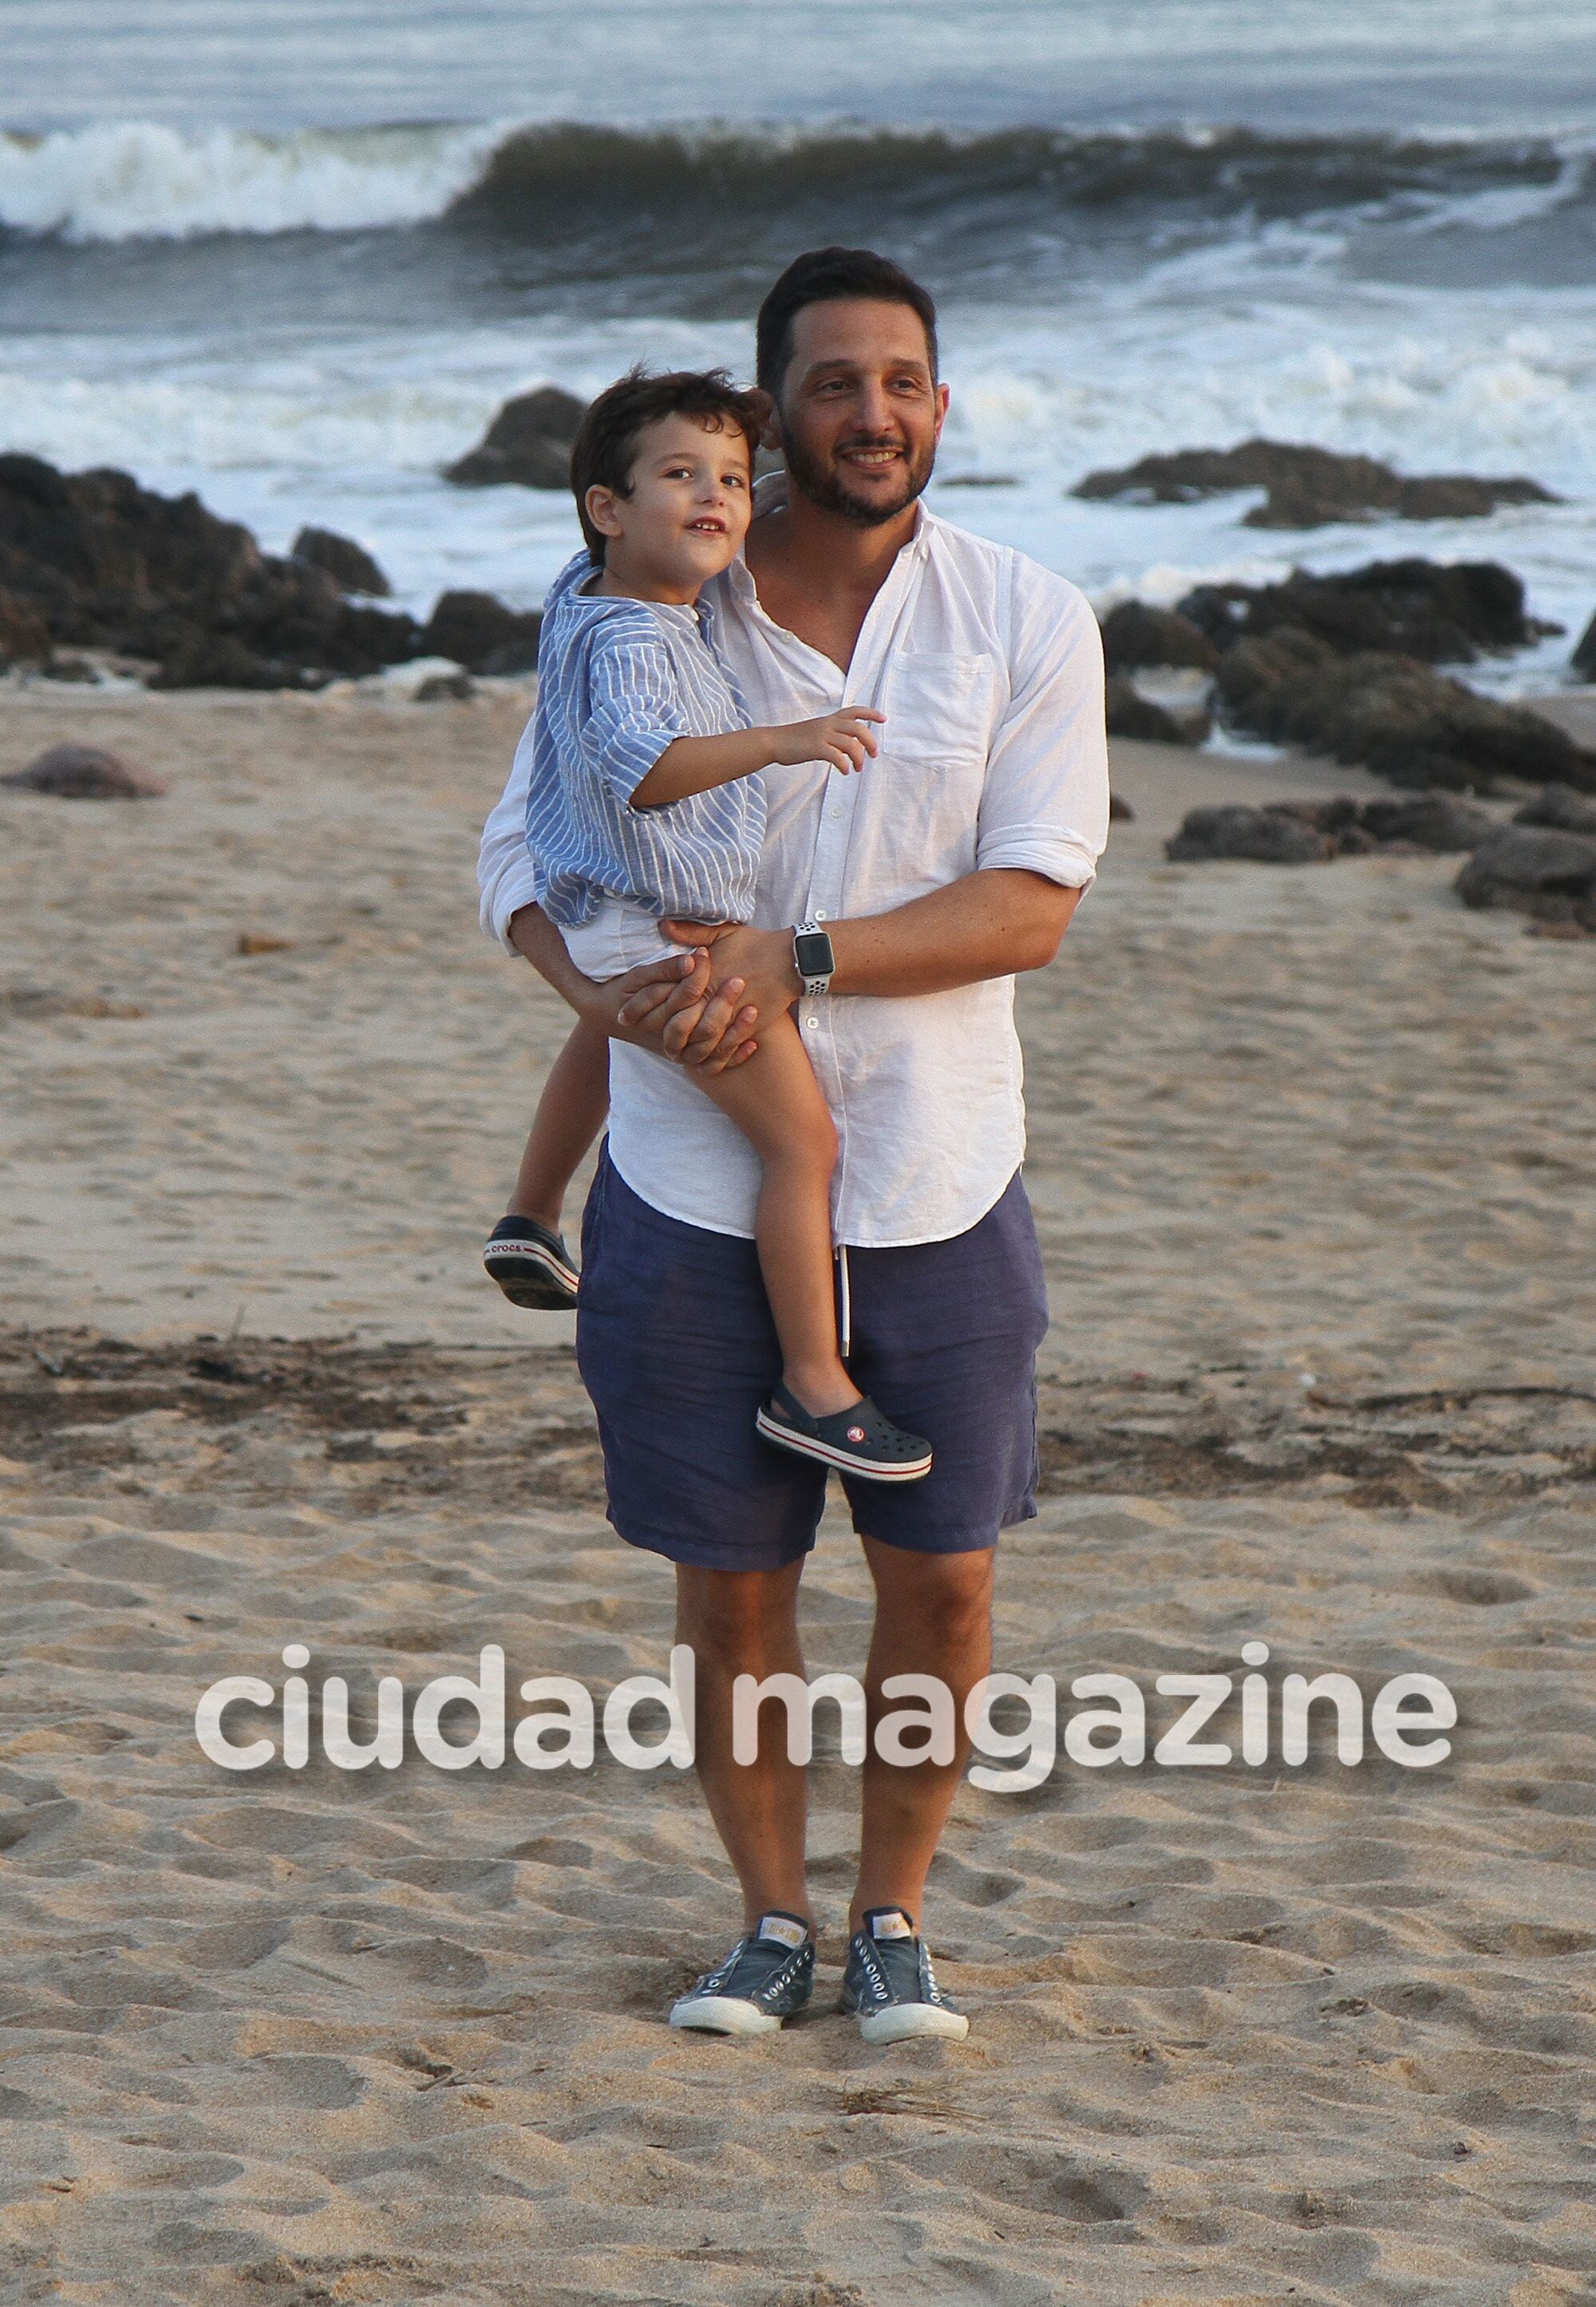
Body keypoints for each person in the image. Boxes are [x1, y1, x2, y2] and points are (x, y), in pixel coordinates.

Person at [478, 247, 1109, 2044]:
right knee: (734, 1594)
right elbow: (518, 850)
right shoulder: (654, 601)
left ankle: (892, 1918)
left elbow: (1030, 906)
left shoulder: (1021, 614)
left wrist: (797, 958)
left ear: (938, 399)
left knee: (949, 1581)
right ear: (766, 411)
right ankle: (767, 1921)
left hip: (939, 1168)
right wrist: (597, 1000)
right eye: (833, 383)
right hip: (686, 1168)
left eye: (903, 379)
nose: (875, 413)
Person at [484, 366, 931, 1483]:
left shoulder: (584, 593)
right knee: (801, 1142)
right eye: (681, 477)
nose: (718, 499)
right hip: (654, 919)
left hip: (603, 908)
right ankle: (814, 1384)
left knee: (607, 1027)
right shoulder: (639, 638)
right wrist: (785, 738)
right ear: (608, 509)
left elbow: (673, 520)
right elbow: (646, 768)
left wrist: (760, 469)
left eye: (734, 479)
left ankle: (530, 1214)